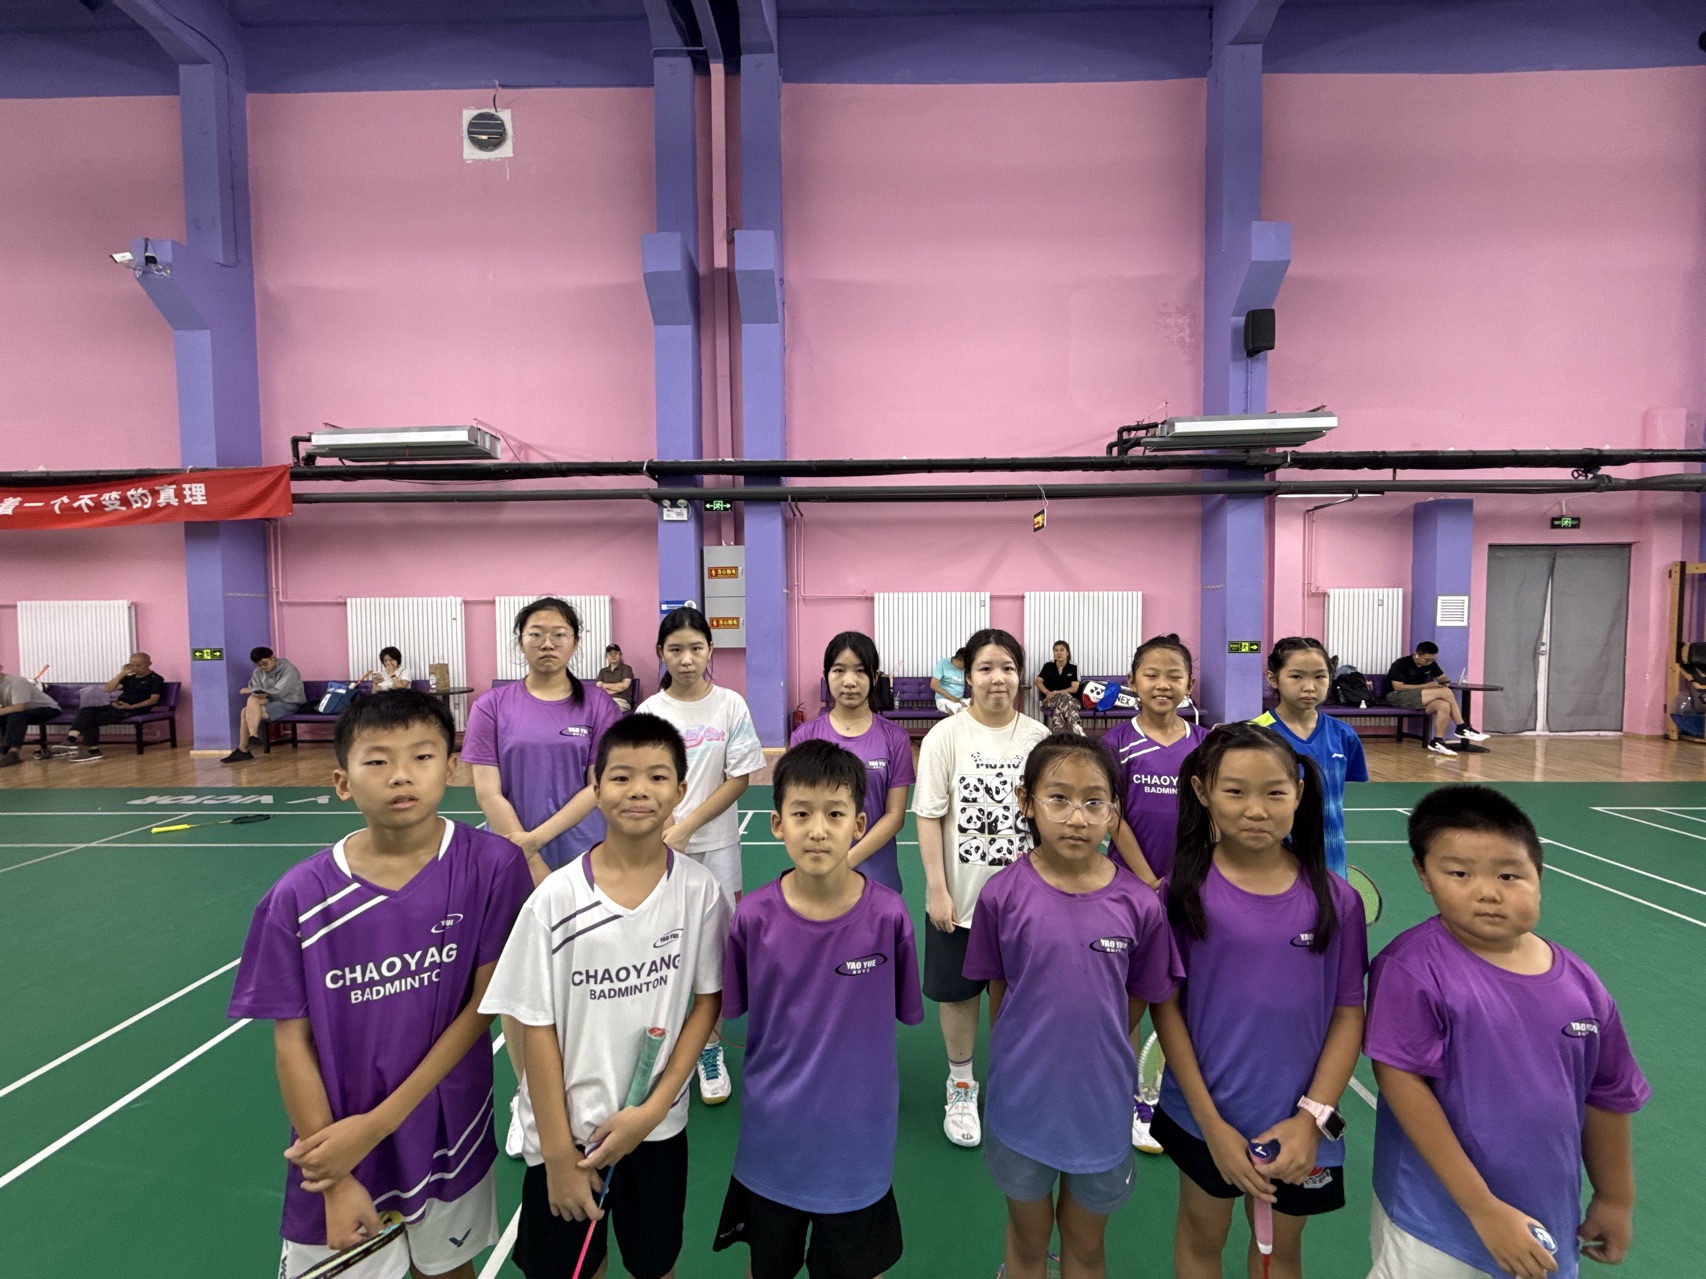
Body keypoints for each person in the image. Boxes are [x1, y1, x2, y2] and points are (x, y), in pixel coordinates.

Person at [228, 690, 534, 1279]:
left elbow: (483, 1006)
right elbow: (291, 1045)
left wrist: (382, 1122)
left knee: (448, 1269)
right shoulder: (297, 896)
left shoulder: (494, 867)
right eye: (377, 760)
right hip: (336, 1141)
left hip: (451, 1127)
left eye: (422, 756)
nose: (401, 775)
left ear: (451, 768)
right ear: (342, 782)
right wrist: (335, 1176)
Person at [479, 713, 731, 1279]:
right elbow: (533, 1025)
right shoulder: (554, 900)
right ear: (595, 787)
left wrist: (652, 1110)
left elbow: (707, 1003)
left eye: (657, 777)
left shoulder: (700, 892)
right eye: (621, 777)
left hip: (655, 1131)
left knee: (654, 1266)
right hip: (568, 1137)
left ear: (681, 791)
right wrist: (557, 1154)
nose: (639, 790)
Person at [1365, 786, 1649, 1279]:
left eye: (1508, 875)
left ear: (1539, 875)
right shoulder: (1412, 969)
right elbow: (1401, 1084)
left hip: (1547, 1220)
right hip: (1434, 1225)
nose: (1488, 892)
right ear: (1423, 875)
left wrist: (1615, 1196)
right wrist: (1483, 1209)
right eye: (1459, 873)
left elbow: (1607, 1095)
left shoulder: (1582, 985)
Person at [1150, 722, 1368, 1279]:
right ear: (1202, 792)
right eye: (1235, 791)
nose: (1255, 809)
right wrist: (1212, 1127)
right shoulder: (1181, 894)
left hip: (1302, 1129)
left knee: (1281, 1252)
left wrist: (1311, 1120)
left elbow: (1349, 1013)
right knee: (1202, 1235)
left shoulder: (1336, 900)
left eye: (1274, 792)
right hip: (1203, 1119)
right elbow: (1166, 1007)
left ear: (1299, 793)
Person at [965, 734, 1180, 1279]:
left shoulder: (1140, 905)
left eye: (1094, 801)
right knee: (1027, 1240)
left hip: (1099, 1107)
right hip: (1021, 1104)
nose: (1077, 818)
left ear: (1114, 811)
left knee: (1085, 1247)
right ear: (1026, 801)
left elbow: (1134, 1004)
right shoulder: (1000, 896)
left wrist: (1094, 1049)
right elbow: (1000, 994)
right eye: (1058, 798)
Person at [713, 739, 921, 1279]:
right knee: (768, 1267)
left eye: (835, 813)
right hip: (773, 1139)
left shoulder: (890, 916)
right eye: (802, 814)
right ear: (777, 824)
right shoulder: (752, 919)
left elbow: (900, 1007)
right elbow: (737, 1006)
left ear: (859, 824)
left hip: (859, 1142)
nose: (818, 830)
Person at [464, 596, 624, 1158]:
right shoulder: (492, 706)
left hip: (586, 859)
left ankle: (588, 1091)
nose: (548, 643)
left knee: (588, 979)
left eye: (559, 633)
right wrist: (525, 854)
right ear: (520, 641)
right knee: (523, 985)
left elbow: (599, 785)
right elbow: (487, 789)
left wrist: (537, 844)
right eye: (536, 633)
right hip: (508, 864)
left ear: (575, 642)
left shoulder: (599, 705)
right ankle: (528, 1099)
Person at [913, 627, 1050, 1148]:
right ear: (967, 676)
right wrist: (936, 889)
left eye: (1008, 668)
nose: (998, 678)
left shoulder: (1038, 739)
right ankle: (962, 1083)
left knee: (1021, 995)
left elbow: (1048, 816)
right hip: (962, 898)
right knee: (959, 996)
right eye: (986, 668)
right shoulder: (945, 737)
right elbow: (929, 815)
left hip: (1026, 902)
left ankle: (1015, 1081)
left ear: (1020, 676)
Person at [637, 605, 766, 1105]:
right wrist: (668, 826)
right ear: (661, 654)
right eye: (676, 650)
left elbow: (739, 778)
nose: (686, 659)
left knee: (714, 949)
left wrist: (688, 826)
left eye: (695, 648)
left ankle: (709, 1048)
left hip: (718, 848)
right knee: (663, 944)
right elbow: (645, 778)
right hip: (659, 848)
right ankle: (666, 1044)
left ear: (710, 650)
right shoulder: (650, 713)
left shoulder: (730, 705)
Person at [1100, 633, 1209, 1155]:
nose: (1162, 684)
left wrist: (1185, 878)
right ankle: (1118, 1092)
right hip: (1130, 890)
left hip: (1189, 891)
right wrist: (1146, 879)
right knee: (1129, 998)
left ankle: (1160, 1093)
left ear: (1190, 683)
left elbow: (1214, 817)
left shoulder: (1205, 745)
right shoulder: (1117, 744)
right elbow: (1112, 815)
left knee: (1181, 996)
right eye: (1151, 674)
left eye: (1174, 676)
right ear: (1133, 682)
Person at [790, 631, 916, 893]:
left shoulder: (896, 738)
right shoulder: (804, 737)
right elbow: (798, 809)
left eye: (860, 671)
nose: (849, 681)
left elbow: (895, 816)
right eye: (839, 670)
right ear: (826, 676)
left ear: (874, 677)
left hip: (878, 876)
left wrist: (846, 862)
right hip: (819, 871)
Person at [1254, 636, 1368, 879]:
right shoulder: (1255, 734)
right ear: (1273, 678)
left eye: (1320, 676)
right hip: (1269, 859)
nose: (1309, 686)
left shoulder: (1344, 735)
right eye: (1296, 676)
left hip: (1330, 859)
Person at [1385, 641, 1491, 757]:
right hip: (1396, 697)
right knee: (1446, 692)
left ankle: (1437, 741)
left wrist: (1444, 682)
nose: (1429, 662)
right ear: (1417, 654)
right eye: (1426, 659)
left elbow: (1442, 677)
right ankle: (1462, 727)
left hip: (1417, 697)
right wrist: (1425, 686)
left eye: (1432, 659)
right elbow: (1398, 686)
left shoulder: (1431, 664)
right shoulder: (1401, 663)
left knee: (1444, 706)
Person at [61, 651, 167, 763]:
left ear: (149, 664)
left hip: (136, 709)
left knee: (92, 719)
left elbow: (153, 700)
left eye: (139, 665)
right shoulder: (129, 678)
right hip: (119, 705)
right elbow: (108, 689)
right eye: (132, 665)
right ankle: (71, 739)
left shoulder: (156, 679)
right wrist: (122, 673)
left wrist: (131, 707)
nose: (135, 668)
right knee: (87, 710)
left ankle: (93, 750)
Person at [222, 646, 306, 764]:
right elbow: (255, 689)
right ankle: (253, 736)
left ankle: (243, 749)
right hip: (270, 699)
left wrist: (255, 690)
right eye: (259, 665)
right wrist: (255, 692)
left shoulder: (288, 669)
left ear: (273, 657)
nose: (262, 667)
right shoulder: (258, 671)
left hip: (289, 702)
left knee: (245, 712)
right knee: (251, 699)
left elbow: (280, 692)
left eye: (264, 663)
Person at [0, 660, 62, 768]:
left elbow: (19, 707)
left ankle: (13, 753)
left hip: (47, 708)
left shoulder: (16, 682)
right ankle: (3, 750)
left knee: (17, 716)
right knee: (10, 715)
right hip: (20, 710)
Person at [1032, 640, 1082, 734]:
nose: (1059, 653)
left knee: (1060, 705)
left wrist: (1058, 692)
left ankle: (1058, 735)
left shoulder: (1074, 667)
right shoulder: (1048, 666)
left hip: (1068, 700)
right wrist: (1047, 692)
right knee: (1065, 699)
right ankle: (1075, 724)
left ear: (1067, 652)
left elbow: (1074, 688)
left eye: (1062, 650)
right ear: (1053, 652)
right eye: (1056, 650)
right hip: (1051, 699)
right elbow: (1038, 681)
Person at [596, 643, 637, 712]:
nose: (613, 655)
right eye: (610, 653)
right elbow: (599, 689)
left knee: (609, 713)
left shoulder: (626, 668)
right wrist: (618, 688)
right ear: (606, 656)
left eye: (616, 653)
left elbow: (623, 686)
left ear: (620, 655)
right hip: (604, 700)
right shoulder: (602, 671)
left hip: (621, 701)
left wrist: (604, 685)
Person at [931, 649, 969, 715]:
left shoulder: (966, 667)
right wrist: (952, 698)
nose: (965, 667)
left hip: (960, 700)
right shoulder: (943, 664)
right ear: (957, 660)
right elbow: (933, 685)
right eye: (964, 664)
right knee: (956, 708)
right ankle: (959, 707)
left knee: (976, 703)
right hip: (943, 700)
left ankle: (959, 707)